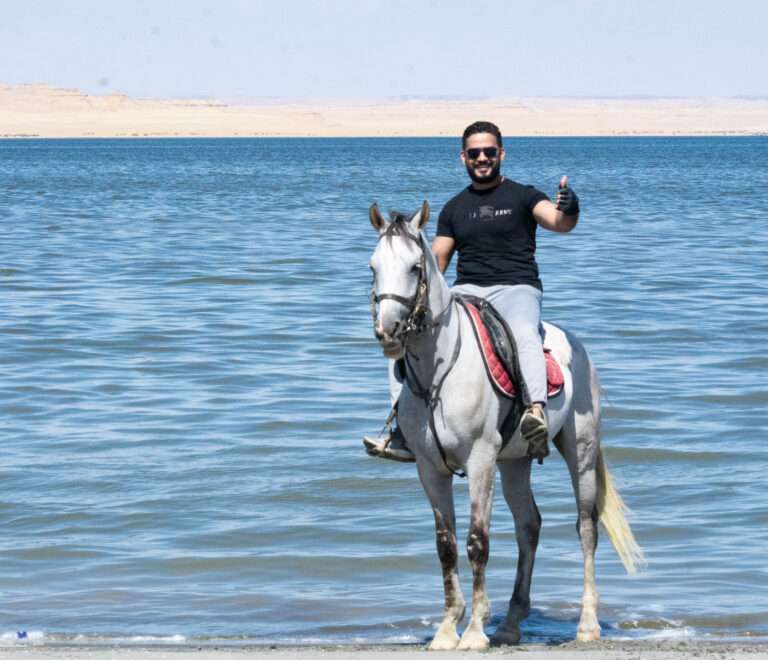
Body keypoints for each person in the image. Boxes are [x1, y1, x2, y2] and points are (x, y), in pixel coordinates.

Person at [364, 120, 580, 463]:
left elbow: (559, 223)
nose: (482, 158)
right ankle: (402, 429)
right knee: (405, 339)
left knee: (524, 332)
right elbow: (437, 262)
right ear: (463, 157)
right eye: (475, 153)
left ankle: (536, 412)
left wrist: (570, 206)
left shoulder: (524, 196)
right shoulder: (454, 208)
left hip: (516, 288)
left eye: (489, 152)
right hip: (467, 292)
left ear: (501, 154)